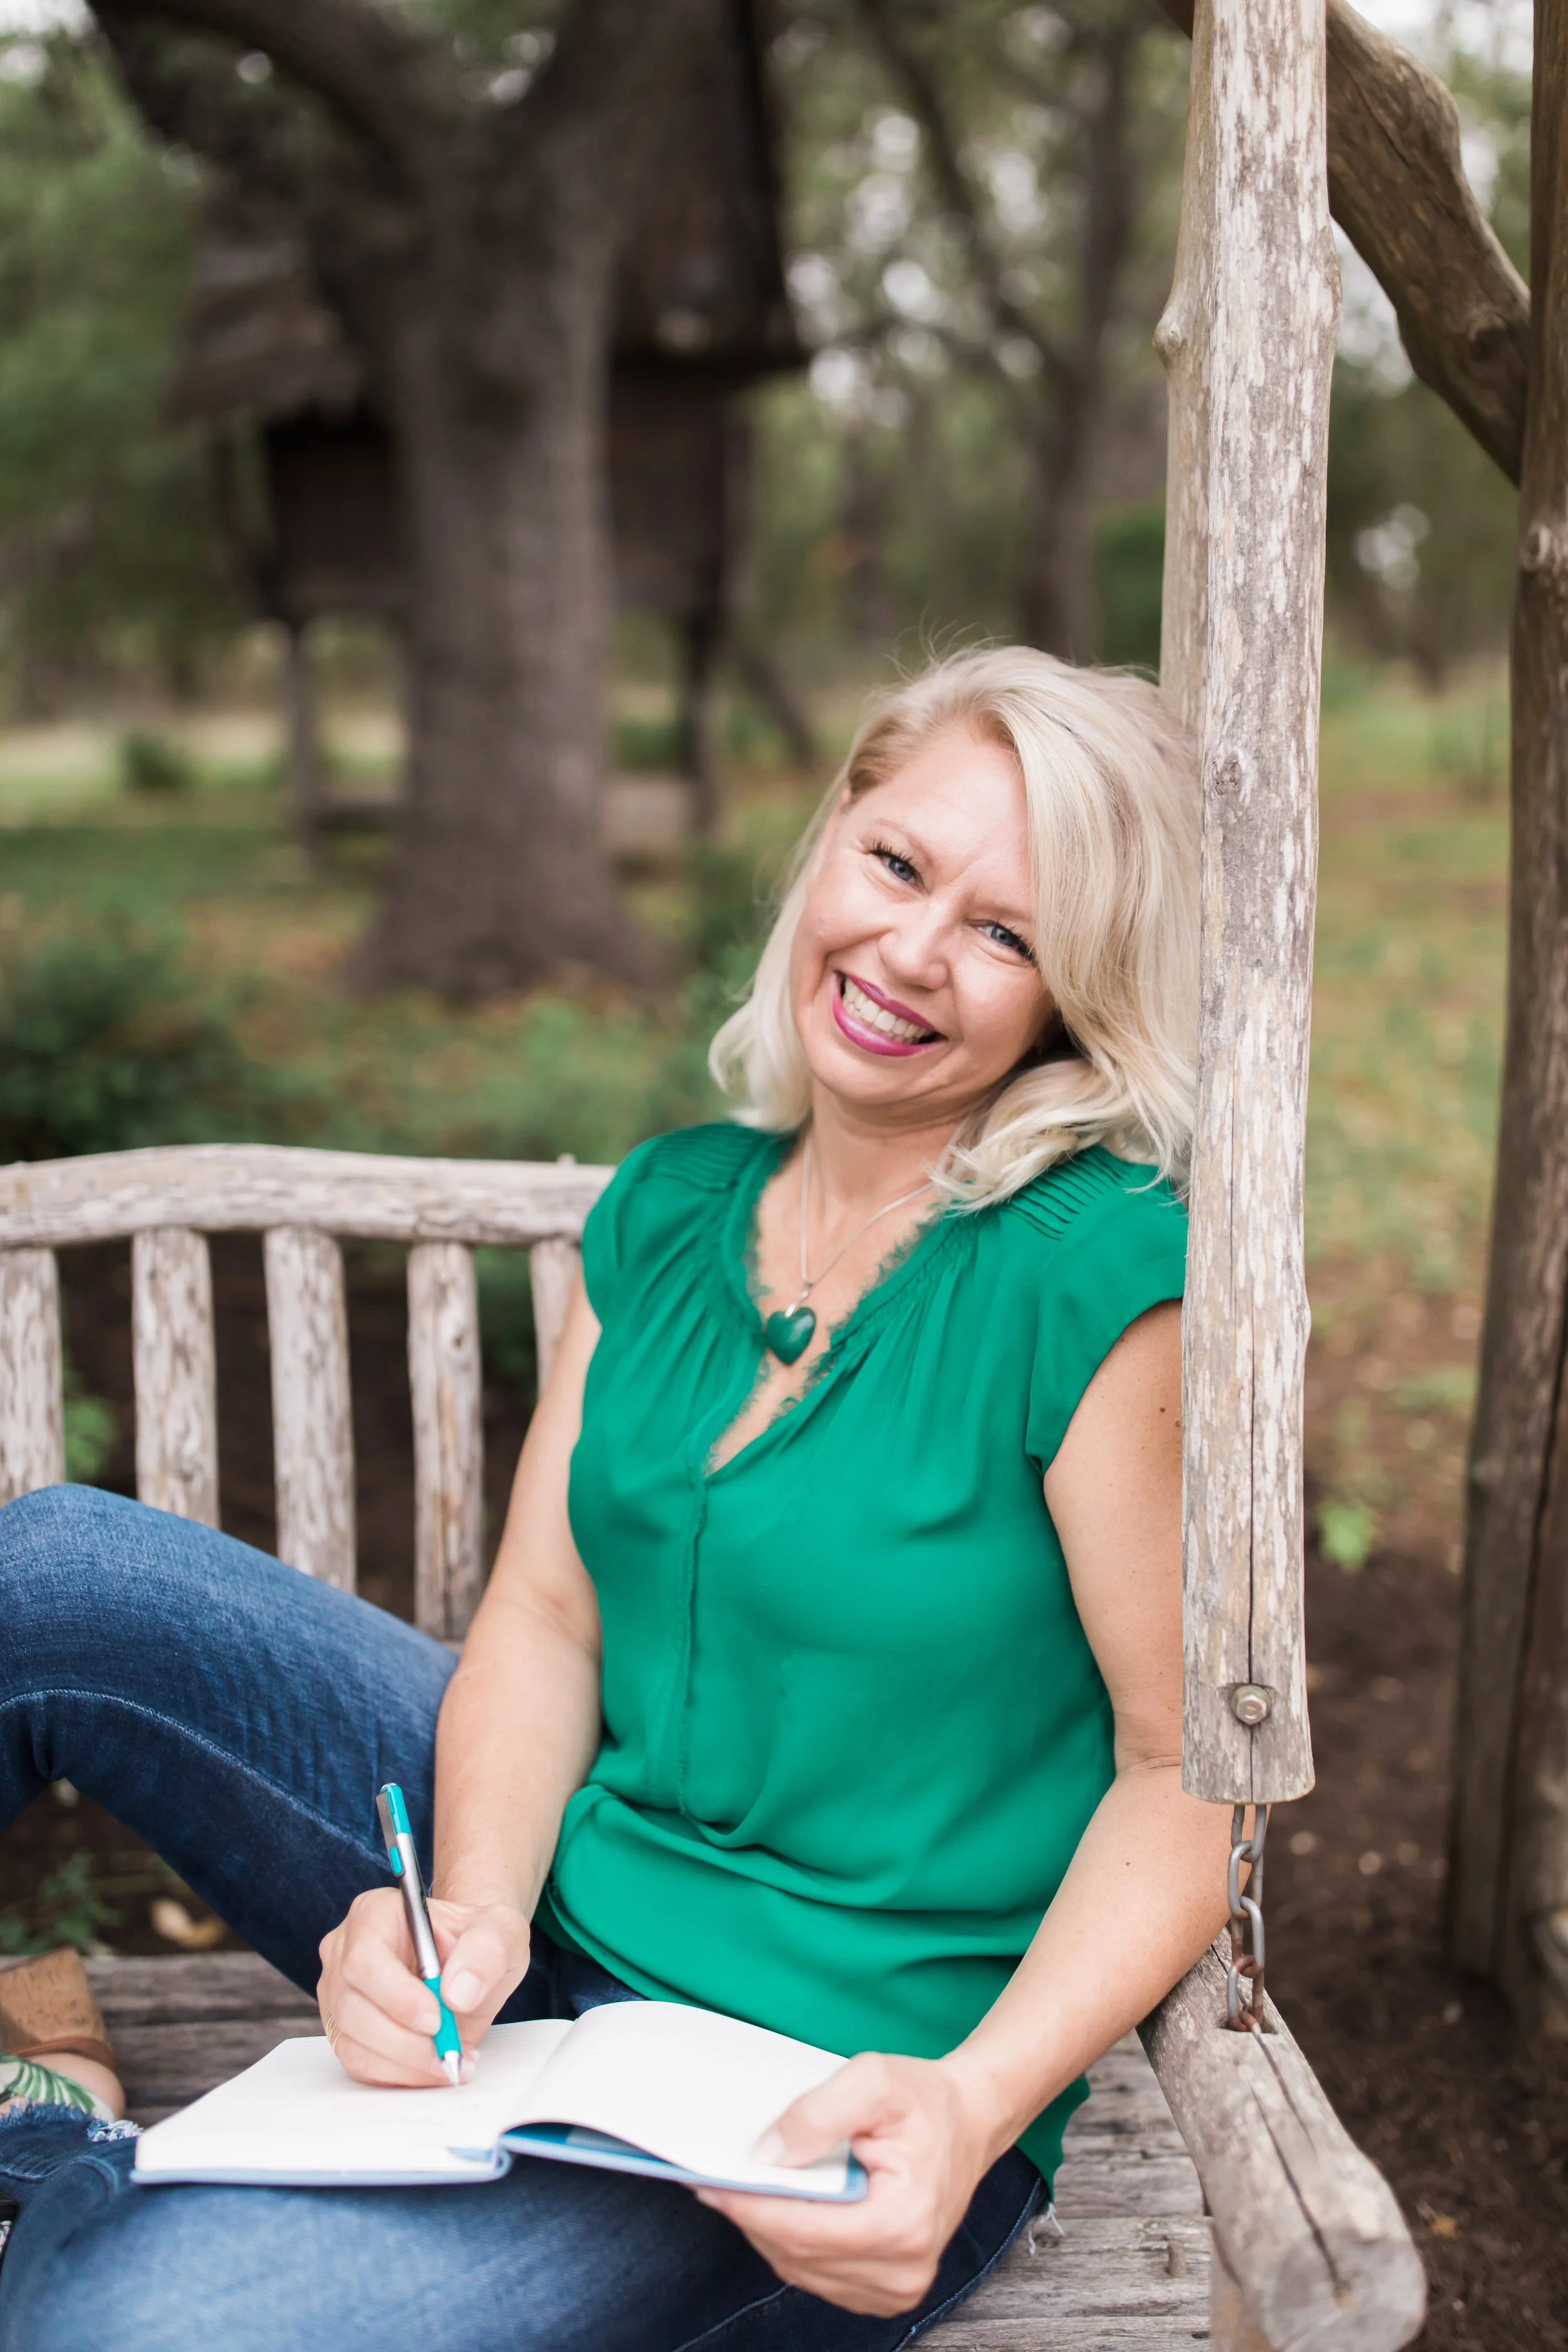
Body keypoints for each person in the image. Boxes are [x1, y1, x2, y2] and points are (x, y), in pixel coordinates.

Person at [0, 646, 1231, 2352]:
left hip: (814, 2083)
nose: (910, 950)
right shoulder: (669, 1207)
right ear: (832, 837)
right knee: (53, 1575)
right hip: (564, 1912)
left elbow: (1189, 1777)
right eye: (896, 863)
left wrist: (970, 2103)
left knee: (136, 2330)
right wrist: (469, 1914)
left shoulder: (1092, 1274)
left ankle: (53, 2148)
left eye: (1006, 933)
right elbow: (548, 1616)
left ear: (1068, 998)